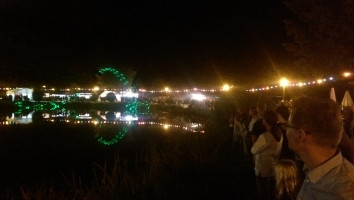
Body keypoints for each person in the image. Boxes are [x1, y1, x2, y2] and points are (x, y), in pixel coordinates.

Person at [284, 96, 354, 199]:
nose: (285, 130)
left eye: (287, 126)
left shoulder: (342, 192)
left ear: (300, 136)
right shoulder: (314, 168)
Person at [251, 110, 283, 200]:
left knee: (263, 192)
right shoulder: (279, 132)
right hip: (273, 166)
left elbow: (253, 150)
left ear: (266, 120)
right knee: (271, 191)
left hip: (263, 168)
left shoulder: (265, 136)